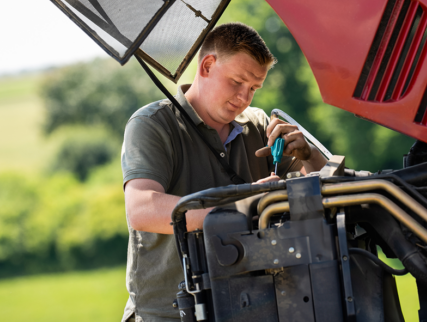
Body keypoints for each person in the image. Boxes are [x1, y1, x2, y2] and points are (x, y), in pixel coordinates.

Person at [120, 22, 328, 322]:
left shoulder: (258, 125)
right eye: (237, 81)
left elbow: (328, 186)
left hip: (251, 308)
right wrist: (243, 207)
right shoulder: (153, 124)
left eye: (254, 88)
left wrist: (309, 155)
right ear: (207, 65)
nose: (245, 97)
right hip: (170, 313)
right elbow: (142, 209)